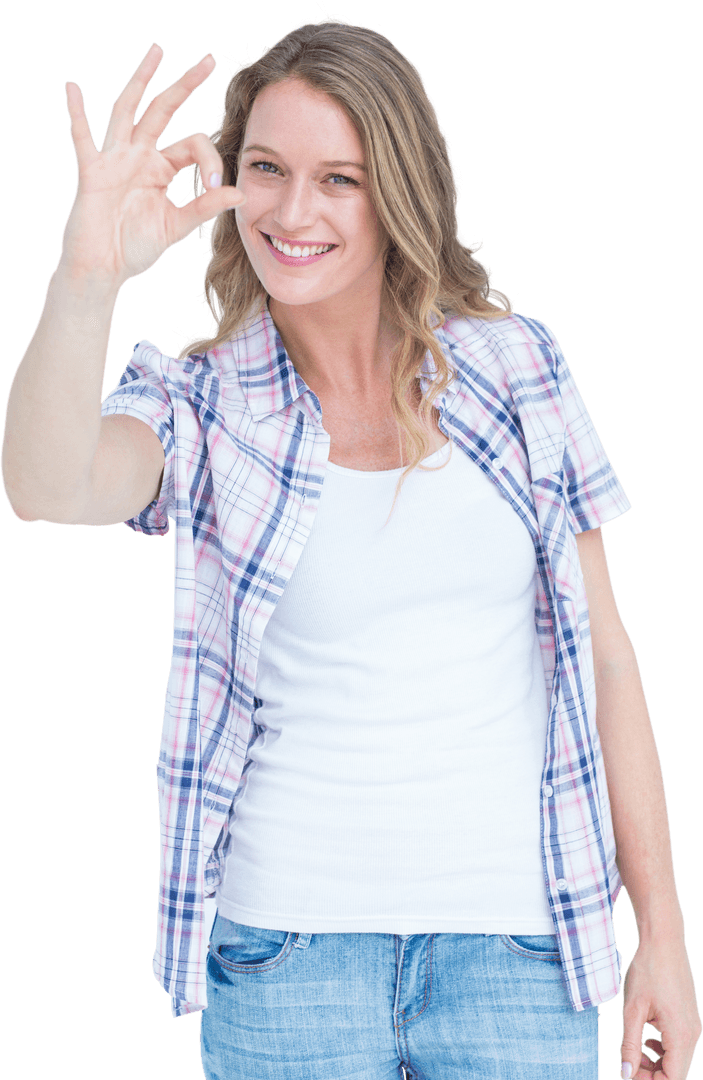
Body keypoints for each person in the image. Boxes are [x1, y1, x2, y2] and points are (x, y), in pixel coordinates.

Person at [2, 16, 700, 1080]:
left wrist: (664, 933)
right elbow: (47, 487)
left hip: (516, 951)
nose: (292, 212)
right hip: (288, 957)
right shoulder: (204, 404)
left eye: (340, 179)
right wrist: (85, 275)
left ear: (399, 193)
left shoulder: (516, 369)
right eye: (267, 170)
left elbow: (607, 655)